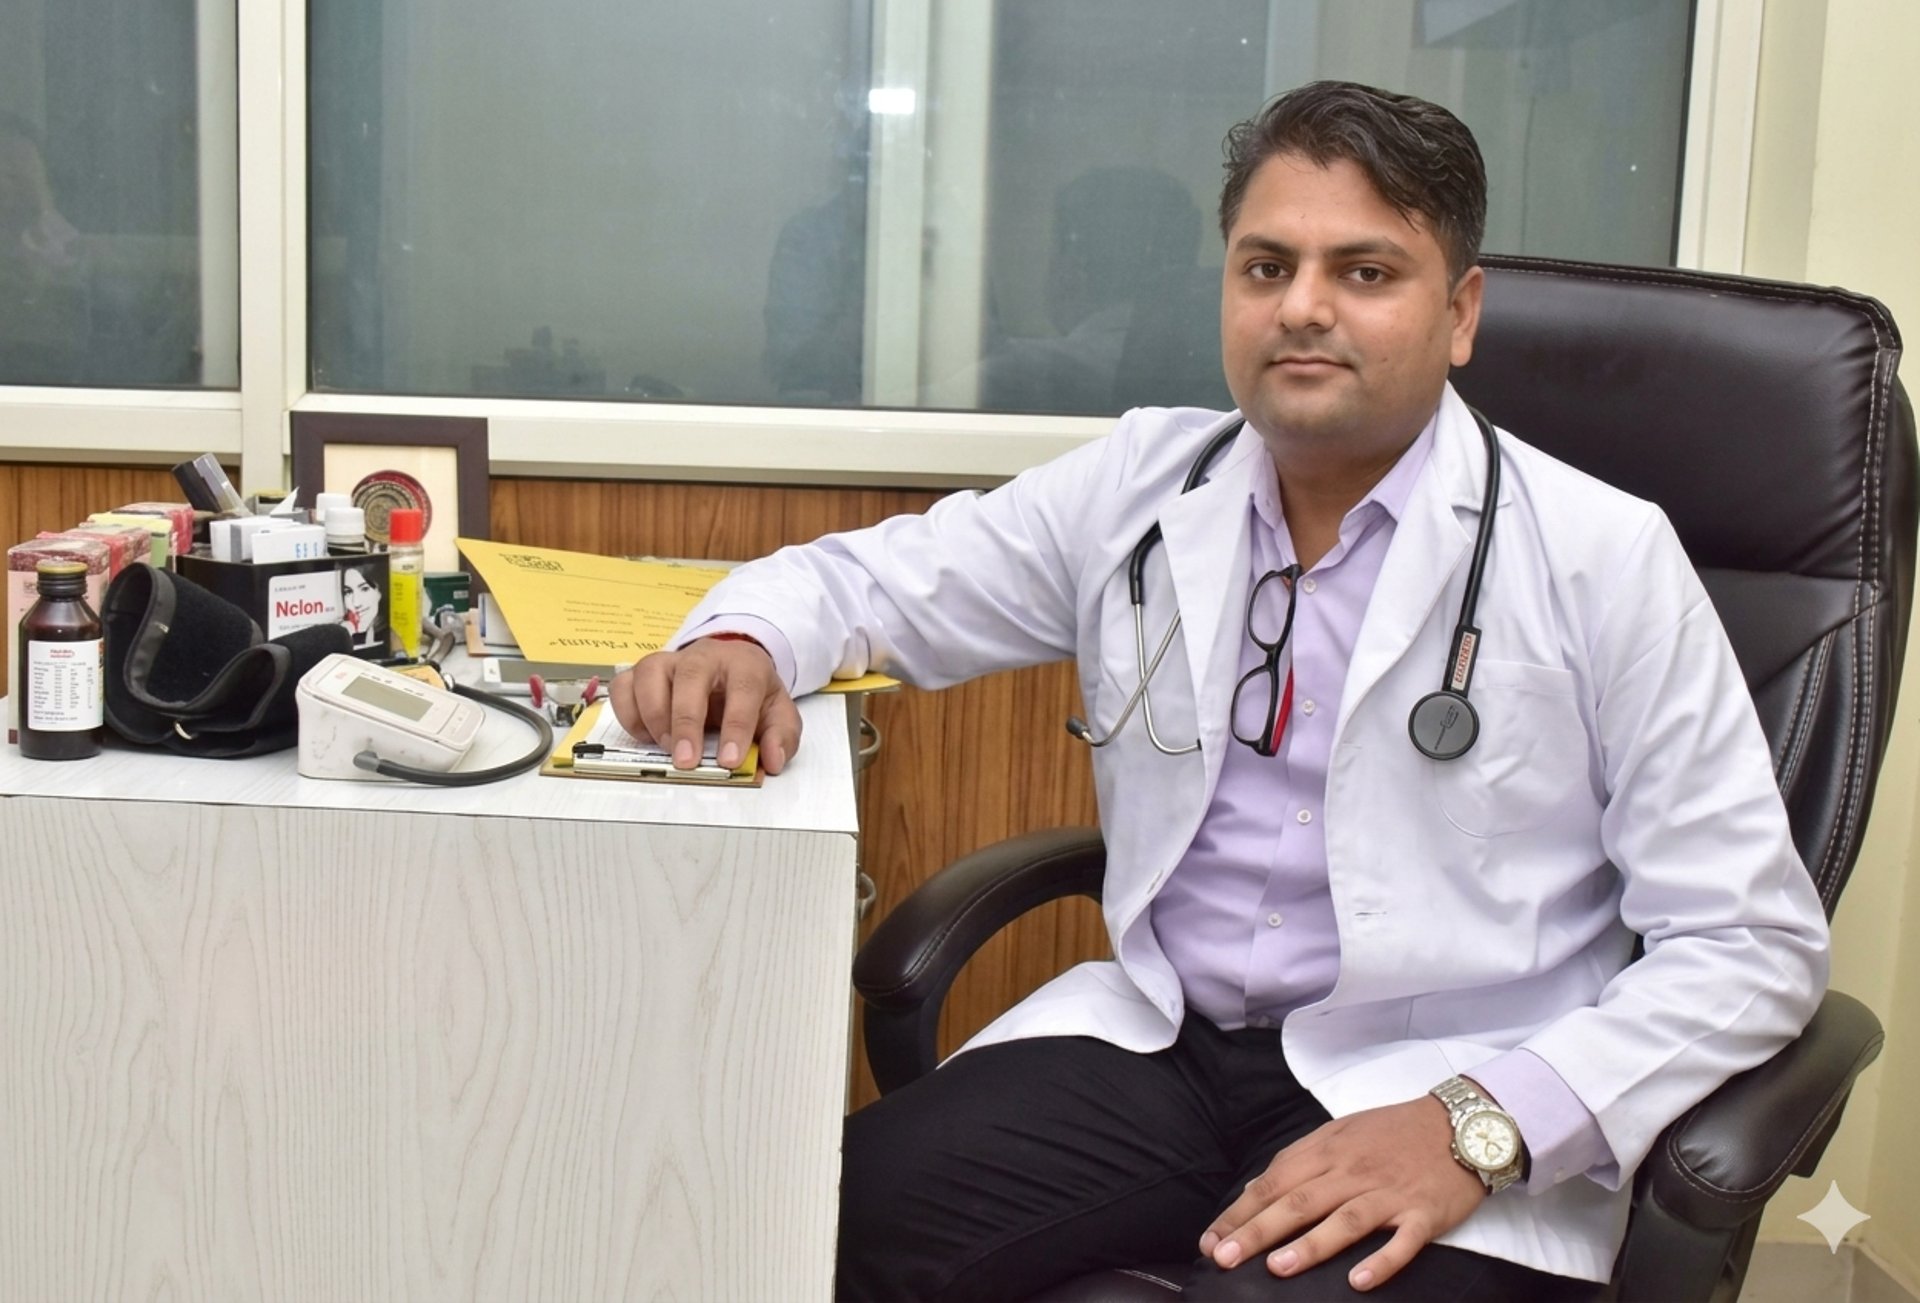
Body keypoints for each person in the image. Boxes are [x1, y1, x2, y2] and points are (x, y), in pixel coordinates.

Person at [611, 82, 1829, 1301]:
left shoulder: (1601, 554)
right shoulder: (1146, 486)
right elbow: (872, 579)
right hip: (1166, 1052)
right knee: (800, 1216)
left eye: (1365, 271)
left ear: (1459, 313)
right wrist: (748, 638)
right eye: (1265, 266)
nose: (1302, 306)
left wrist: (1479, 1123)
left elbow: (1749, 943)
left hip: (1447, 1077)